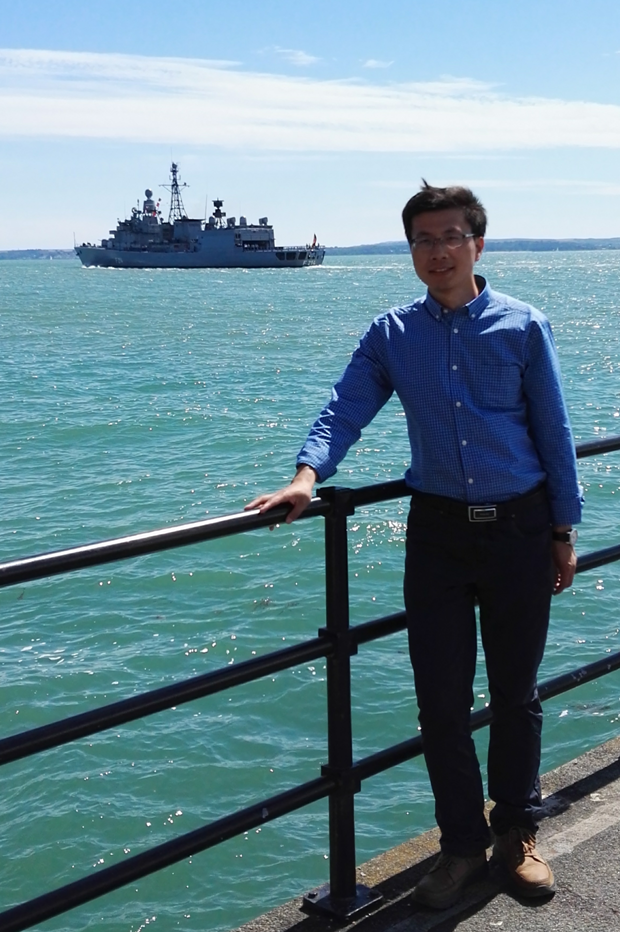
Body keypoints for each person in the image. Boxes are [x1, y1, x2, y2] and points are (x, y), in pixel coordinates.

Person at [245, 182, 581, 910]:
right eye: (423, 240)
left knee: (516, 693)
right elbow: (345, 407)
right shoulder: (392, 335)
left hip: (520, 529)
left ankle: (516, 834)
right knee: (439, 701)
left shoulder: (524, 325)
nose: (437, 252)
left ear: (477, 244)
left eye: (451, 236)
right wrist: (306, 476)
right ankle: (460, 847)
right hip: (437, 534)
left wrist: (563, 531)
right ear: (411, 250)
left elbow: (554, 432)